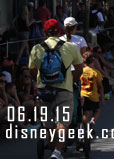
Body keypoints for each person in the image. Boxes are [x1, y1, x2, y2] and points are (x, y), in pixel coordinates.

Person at [28, 19, 83, 159]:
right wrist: (71, 81)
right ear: (60, 31)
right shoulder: (70, 47)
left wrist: (40, 80)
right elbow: (79, 69)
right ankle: (57, 152)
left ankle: (54, 149)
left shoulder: (37, 49)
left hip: (44, 91)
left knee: (48, 125)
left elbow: (32, 71)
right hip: (64, 91)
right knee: (63, 123)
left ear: (44, 32)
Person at [80, 51, 104, 131]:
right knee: (97, 110)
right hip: (93, 96)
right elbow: (100, 87)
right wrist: (102, 99)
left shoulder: (80, 71)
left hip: (83, 94)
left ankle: (85, 128)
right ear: (93, 61)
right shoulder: (95, 72)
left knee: (86, 113)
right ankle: (92, 122)